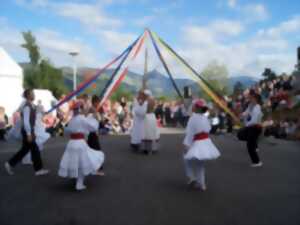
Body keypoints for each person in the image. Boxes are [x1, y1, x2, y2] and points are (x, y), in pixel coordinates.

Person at [58, 101, 105, 191]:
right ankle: (79, 184)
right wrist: (94, 114)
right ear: (81, 109)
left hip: (71, 143)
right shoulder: (81, 118)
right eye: (83, 108)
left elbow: (67, 131)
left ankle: (76, 179)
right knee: (82, 163)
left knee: (75, 162)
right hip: (79, 143)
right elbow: (93, 127)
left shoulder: (73, 119)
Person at [4, 89, 49, 176]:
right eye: (32, 94)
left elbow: (37, 112)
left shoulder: (31, 105)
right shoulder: (27, 106)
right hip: (27, 131)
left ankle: (9, 163)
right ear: (28, 95)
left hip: (29, 131)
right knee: (34, 149)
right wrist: (29, 133)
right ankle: (38, 169)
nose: (34, 95)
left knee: (25, 150)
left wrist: (44, 112)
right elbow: (26, 121)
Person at [183, 99, 220, 191]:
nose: (192, 107)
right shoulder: (204, 117)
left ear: (196, 108)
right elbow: (209, 128)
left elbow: (190, 133)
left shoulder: (193, 118)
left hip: (197, 142)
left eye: (194, 106)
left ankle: (194, 179)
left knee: (188, 159)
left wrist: (186, 144)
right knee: (198, 164)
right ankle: (199, 182)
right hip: (206, 142)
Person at [238, 92, 263, 167]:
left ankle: (257, 162)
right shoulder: (251, 105)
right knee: (240, 135)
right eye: (250, 98)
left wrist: (246, 125)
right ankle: (254, 144)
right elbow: (246, 112)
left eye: (252, 98)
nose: (250, 99)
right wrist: (242, 115)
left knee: (250, 146)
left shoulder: (257, 108)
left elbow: (254, 121)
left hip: (255, 127)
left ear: (256, 100)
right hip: (250, 127)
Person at [141, 90, 160, 154]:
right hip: (152, 116)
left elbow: (144, 111)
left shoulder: (145, 102)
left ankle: (147, 149)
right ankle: (153, 148)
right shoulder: (153, 100)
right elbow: (154, 108)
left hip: (147, 117)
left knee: (147, 133)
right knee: (152, 132)